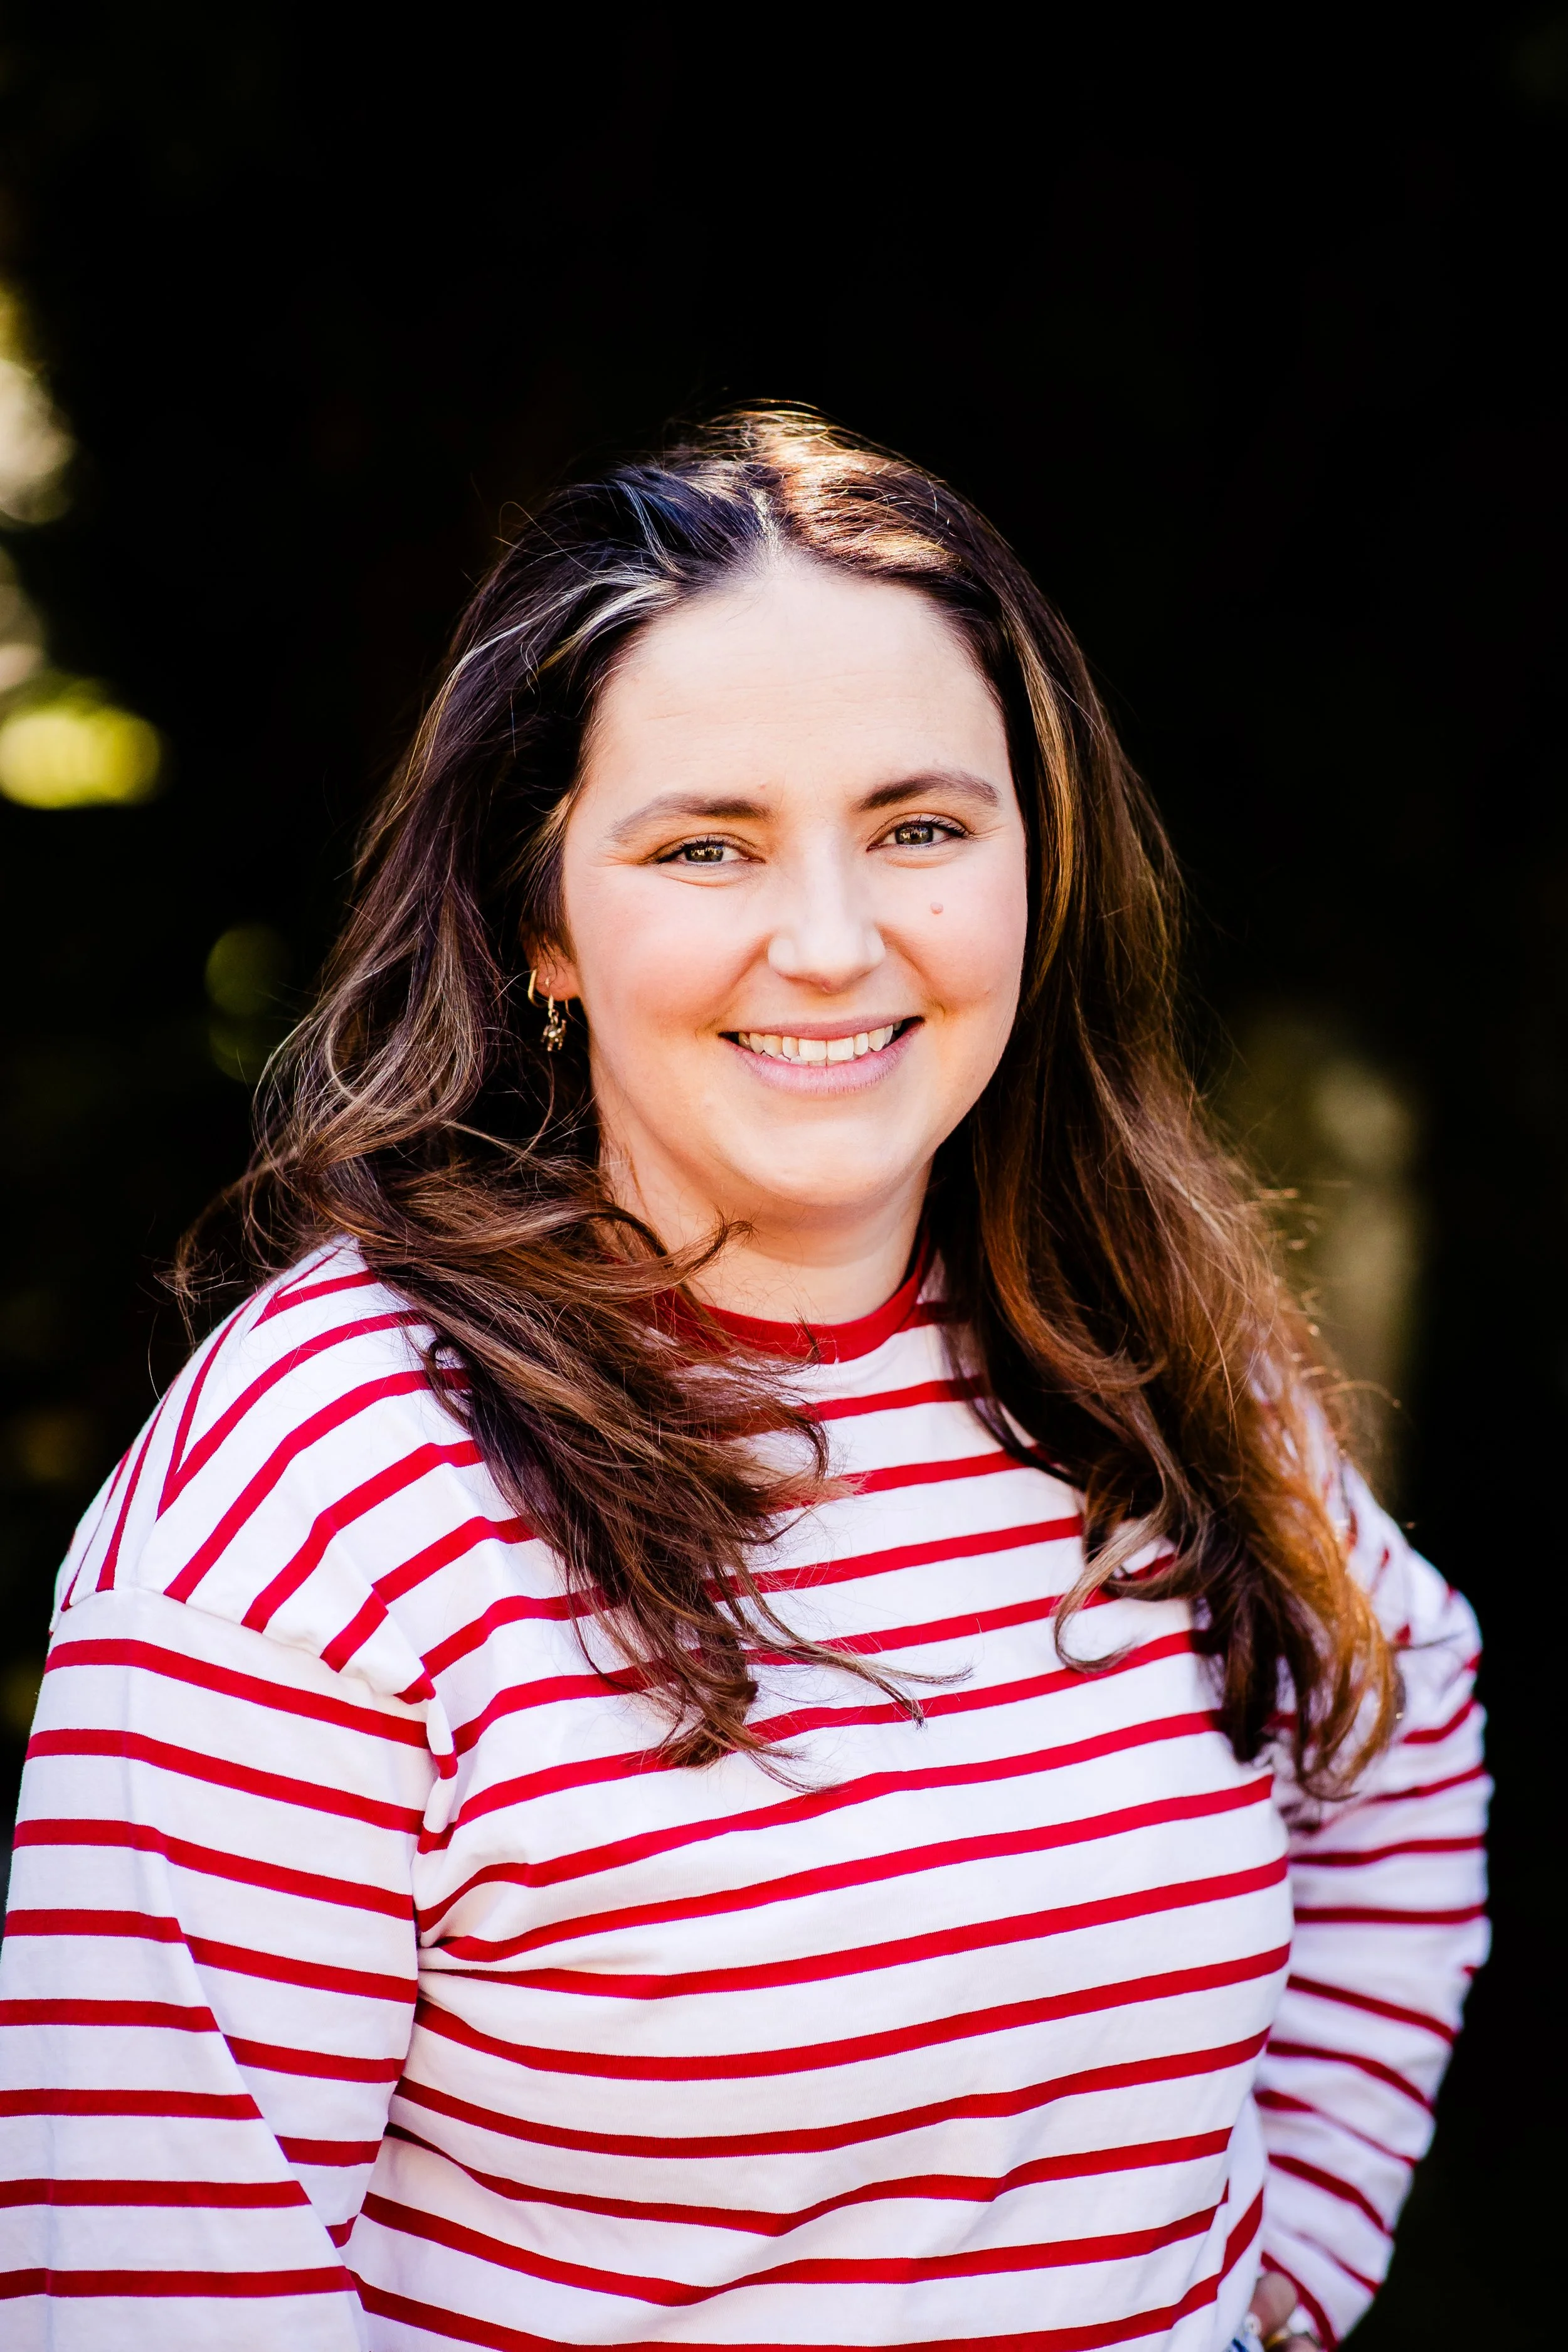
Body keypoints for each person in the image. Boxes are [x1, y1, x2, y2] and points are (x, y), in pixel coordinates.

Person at [0, 410, 1486, 2351]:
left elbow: (1406, 1729)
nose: (829, 941)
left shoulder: (1129, 1342)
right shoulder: (328, 1478)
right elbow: (162, 2287)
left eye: (919, 828)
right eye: (706, 843)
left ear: (1038, 867)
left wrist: (1269, 2280)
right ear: (543, 919)